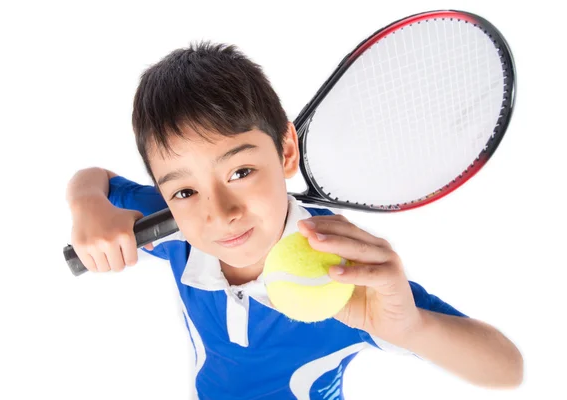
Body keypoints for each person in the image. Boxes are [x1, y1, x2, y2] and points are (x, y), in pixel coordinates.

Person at [65, 42, 523, 399]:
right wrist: (88, 204)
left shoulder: (343, 271)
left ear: (285, 150)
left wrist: (411, 329)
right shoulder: (180, 235)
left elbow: (507, 369)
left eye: (241, 172)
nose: (221, 214)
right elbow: (97, 180)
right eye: (184, 191)